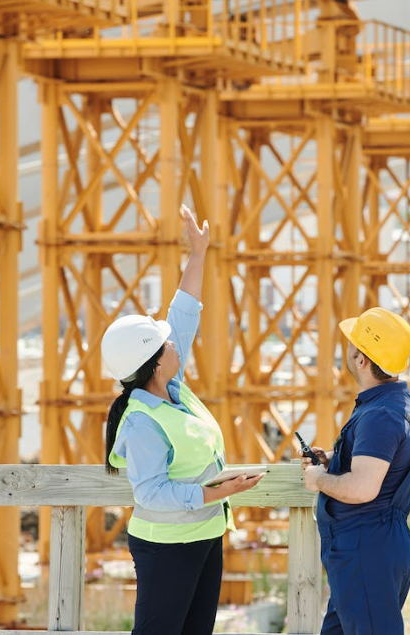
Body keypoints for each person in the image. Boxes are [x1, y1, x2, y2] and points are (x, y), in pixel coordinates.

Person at [101, 205, 263, 635]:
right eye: (164, 342)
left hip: (205, 535)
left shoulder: (173, 389)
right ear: (155, 363)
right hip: (167, 545)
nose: (174, 341)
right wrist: (216, 493)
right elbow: (151, 493)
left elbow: (184, 315)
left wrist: (199, 253)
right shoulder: (141, 422)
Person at [302, 307, 410, 635]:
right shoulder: (395, 404)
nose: (348, 350)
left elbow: (363, 488)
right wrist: (335, 460)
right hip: (368, 548)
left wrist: (319, 480)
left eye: (352, 344)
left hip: (365, 548)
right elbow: (378, 465)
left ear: (361, 360)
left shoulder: (381, 414)